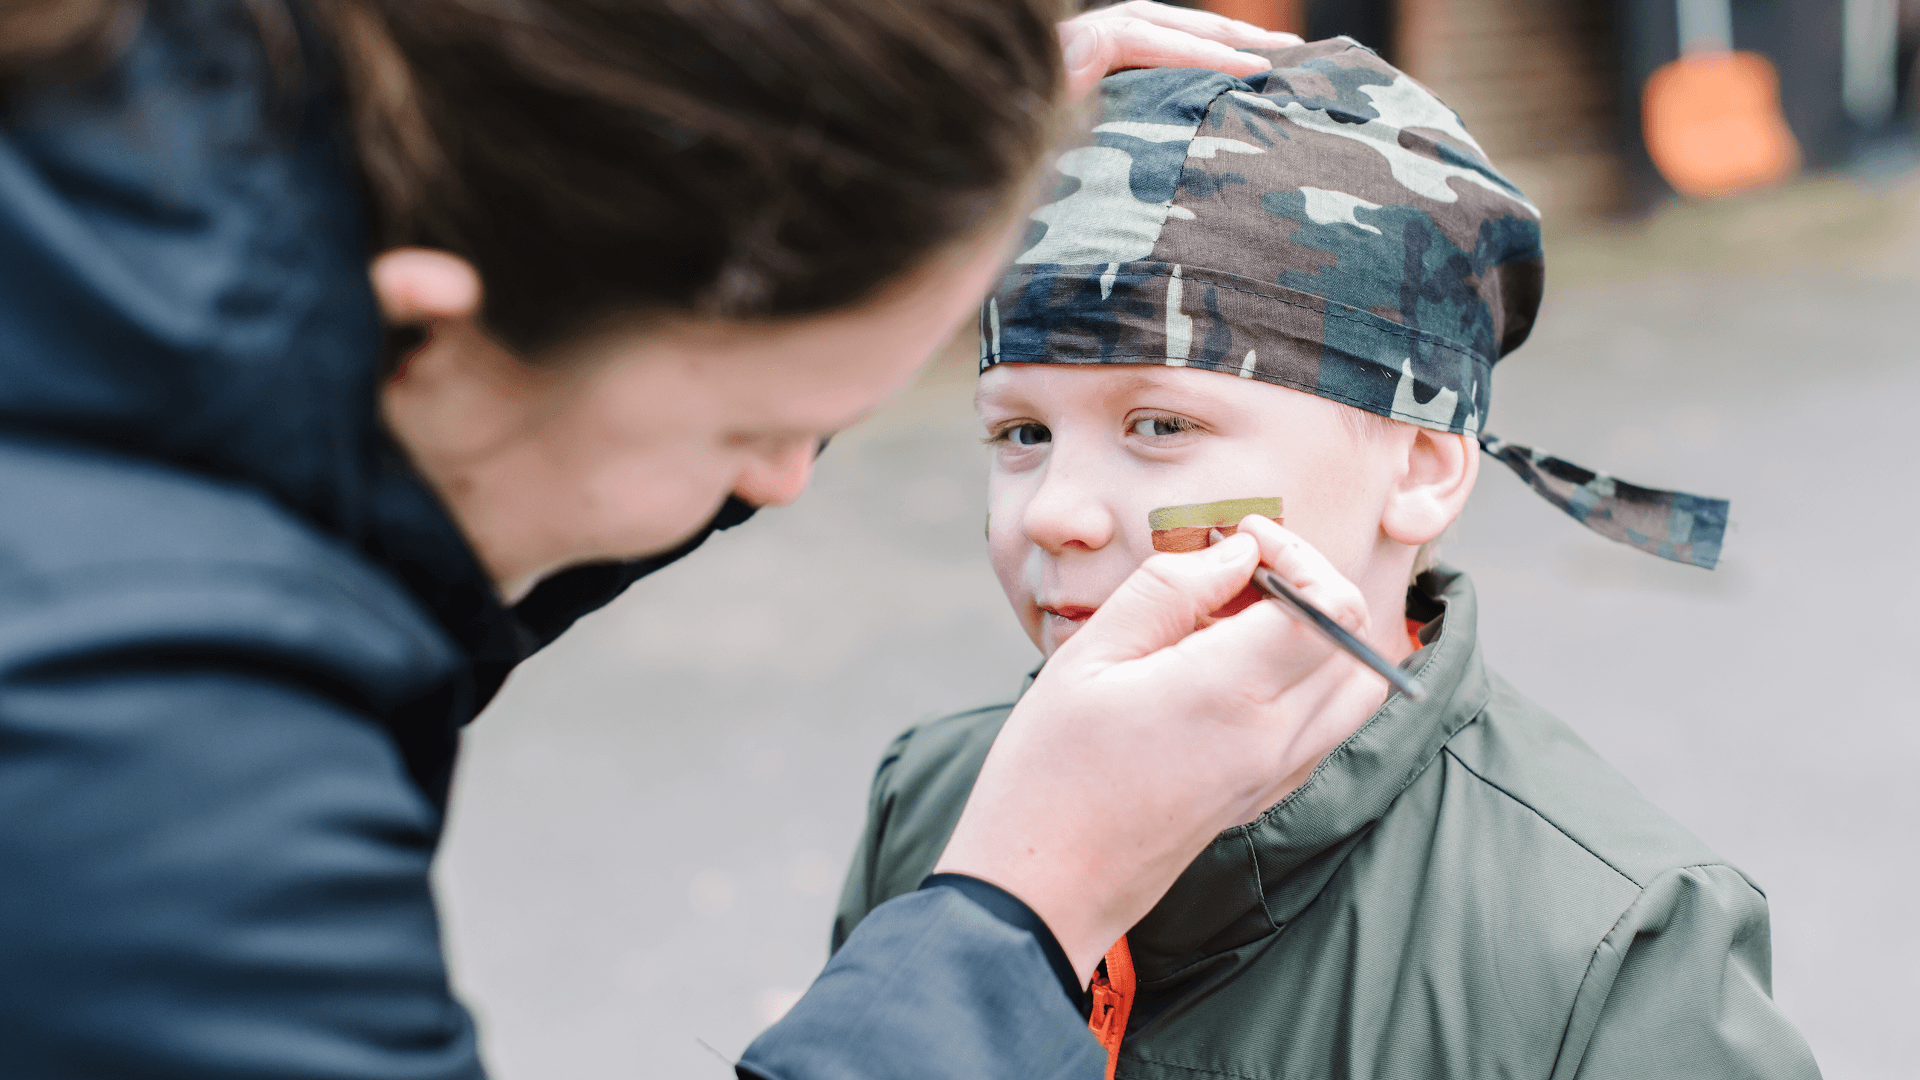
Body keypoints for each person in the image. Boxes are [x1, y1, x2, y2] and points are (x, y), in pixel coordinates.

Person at [0, 2, 1399, 1078]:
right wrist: (1019, 914)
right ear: (423, 331)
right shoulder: (137, 770)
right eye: (749, 429)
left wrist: (883, 140)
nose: (784, 483)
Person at [827, 40, 1822, 1080]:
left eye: (1161, 424)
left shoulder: (1614, 947)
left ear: (1424, 470)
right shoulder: (940, 801)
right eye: (1020, 433)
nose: (1055, 515)